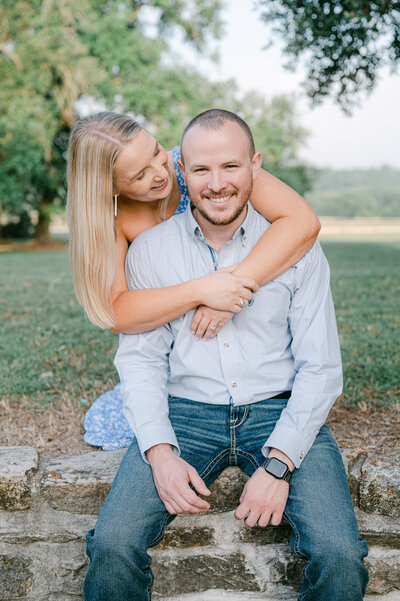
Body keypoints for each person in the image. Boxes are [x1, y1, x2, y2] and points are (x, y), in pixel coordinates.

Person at [83, 109, 368, 600]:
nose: (216, 184)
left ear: (255, 166)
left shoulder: (294, 246)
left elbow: (321, 366)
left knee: (340, 555)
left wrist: (279, 463)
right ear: (185, 171)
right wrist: (160, 451)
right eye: (200, 171)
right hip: (186, 411)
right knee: (111, 544)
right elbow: (140, 355)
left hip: (278, 405)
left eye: (231, 168)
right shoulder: (148, 249)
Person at [66, 110, 320, 450]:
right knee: (123, 422)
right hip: (182, 347)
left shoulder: (200, 167)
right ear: (110, 187)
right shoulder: (113, 222)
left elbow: (302, 221)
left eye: (156, 152)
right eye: (140, 175)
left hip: (250, 335)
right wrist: (201, 291)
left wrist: (231, 291)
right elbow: (117, 312)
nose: (161, 173)